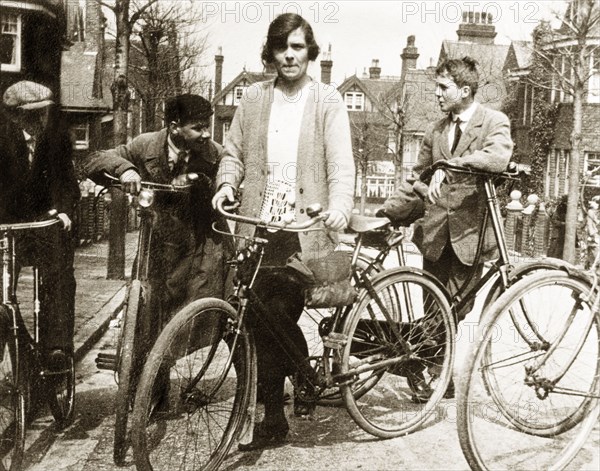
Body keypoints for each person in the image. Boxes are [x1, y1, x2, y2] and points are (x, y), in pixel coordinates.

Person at [212, 13, 355, 451]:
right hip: (258, 224)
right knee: (246, 323)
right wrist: (225, 184)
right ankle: (280, 405)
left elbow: (340, 163)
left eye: (297, 46)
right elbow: (233, 152)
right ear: (271, 52)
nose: (289, 55)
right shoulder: (254, 98)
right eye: (281, 47)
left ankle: (289, 393)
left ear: (310, 51)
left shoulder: (327, 99)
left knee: (274, 314)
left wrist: (339, 207)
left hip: (304, 228)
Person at [382, 57, 513, 399]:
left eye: (443, 88)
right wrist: (398, 207)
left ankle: (431, 369)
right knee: (433, 306)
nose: (437, 94)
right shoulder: (435, 130)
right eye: (437, 87)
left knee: (457, 307)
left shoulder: (493, 122)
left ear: (465, 90)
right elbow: (418, 177)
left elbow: (496, 158)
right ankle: (437, 374)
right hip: (435, 234)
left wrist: (450, 165)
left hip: (469, 235)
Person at [83, 94, 229, 343]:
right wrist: (125, 170)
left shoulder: (212, 152)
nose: (206, 134)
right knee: (146, 309)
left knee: (207, 309)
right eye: (197, 128)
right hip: (157, 242)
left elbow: (231, 164)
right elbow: (94, 159)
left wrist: (224, 186)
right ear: (174, 127)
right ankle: (145, 376)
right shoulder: (145, 145)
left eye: (207, 126)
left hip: (199, 243)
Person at [0, 80, 80, 370]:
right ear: (13, 115)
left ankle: (56, 348)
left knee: (59, 271)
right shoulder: (2, 139)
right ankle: (19, 345)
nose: (38, 121)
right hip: (6, 224)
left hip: (44, 221)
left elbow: (66, 181)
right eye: (31, 115)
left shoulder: (55, 139)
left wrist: (64, 210)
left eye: (43, 113)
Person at [547, 195, 568, 259]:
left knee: (560, 250)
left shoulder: (567, 210)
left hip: (564, 234)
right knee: (553, 249)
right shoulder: (559, 209)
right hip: (557, 232)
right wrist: (562, 223)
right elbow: (554, 220)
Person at [586, 198, 599, 268]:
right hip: (592, 233)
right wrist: (592, 234)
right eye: (596, 203)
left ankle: (588, 264)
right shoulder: (591, 212)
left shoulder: (592, 212)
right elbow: (590, 224)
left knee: (591, 249)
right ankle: (592, 265)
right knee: (595, 248)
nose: (598, 205)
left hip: (592, 232)